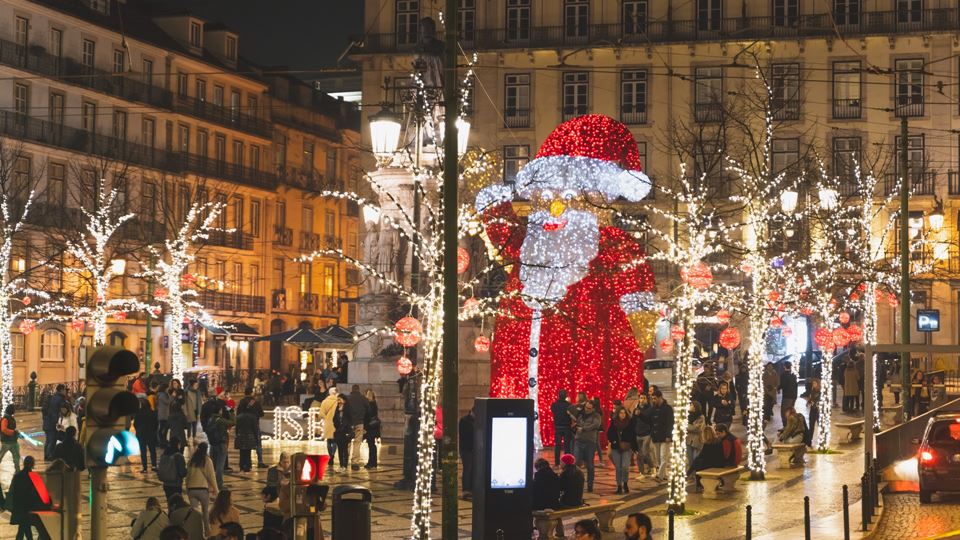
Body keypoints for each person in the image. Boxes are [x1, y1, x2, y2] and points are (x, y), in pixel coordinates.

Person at [7, 456, 51, 540]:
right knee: (25, 527)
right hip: (31, 507)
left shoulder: (17, 476)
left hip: (20, 507)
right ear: (32, 465)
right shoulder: (34, 476)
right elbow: (43, 494)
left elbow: (12, 492)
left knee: (23, 528)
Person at [185, 442, 218, 535]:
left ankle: (195, 531)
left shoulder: (191, 460)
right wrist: (216, 490)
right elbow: (212, 476)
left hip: (191, 489)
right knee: (205, 512)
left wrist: (187, 487)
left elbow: (188, 476)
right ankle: (207, 530)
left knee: (195, 514)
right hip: (203, 490)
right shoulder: (207, 460)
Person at [572, 399, 601, 492]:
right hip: (578, 441)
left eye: (589, 408)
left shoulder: (596, 416)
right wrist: (575, 427)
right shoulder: (581, 414)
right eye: (586, 407)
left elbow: (595, 425)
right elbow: (577, 423)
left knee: (590, 465)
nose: (587, 409)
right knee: (576, 463)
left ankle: (590, 485)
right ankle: (575, 484)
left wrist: (583, 429)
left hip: (590, 443)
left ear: (593, 409)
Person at [607, 407, 636, 494]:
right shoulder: (614, 423)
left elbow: (633, 435)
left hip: (627, 447)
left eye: (624, 413)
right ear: (618, 414)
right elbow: (609, 434)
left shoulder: (630, 423)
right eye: (621, 413)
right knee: (618, 468)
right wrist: (614, 441)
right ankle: (619, 486)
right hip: (616, 448)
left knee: (625, 467)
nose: (623, 415)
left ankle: (625, 483)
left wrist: (634, 447)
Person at [206, 407, 235, 488]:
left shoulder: (210, 420)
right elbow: (233, 422)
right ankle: (219, 484)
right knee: (220, 466)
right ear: (219, 411)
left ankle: (210, 482)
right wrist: (232, 413)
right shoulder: (221, 420)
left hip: (213, 444)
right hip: (221, 444)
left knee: (212, 465)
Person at [649, 390, 674, 483]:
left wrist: (668, 435)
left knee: (664, 456)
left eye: (655, 398)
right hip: (656, 436)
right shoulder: (653, 408)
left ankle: (659, 476)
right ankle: (664, 475)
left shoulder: (668, 408)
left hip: (665, 437)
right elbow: (649, 419)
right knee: (658, 458)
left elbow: (670, 423)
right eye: (652, 399)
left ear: (660, 397)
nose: (653, 400)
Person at [691, 425, 725, 490]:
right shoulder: (718, 441)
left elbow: (702, 455)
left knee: (697, 465)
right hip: (719, 463)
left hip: (713, 465)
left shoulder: (707, 444)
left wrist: (693, 465)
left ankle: (699, 485)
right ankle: (690, 476)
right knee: (697, 462)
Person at [346, 385, 369, 470]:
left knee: (347, 442)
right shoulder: (363, 399)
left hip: (349, 424)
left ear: (352, 390)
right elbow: (368, 411)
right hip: (359, 422)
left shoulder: (347, 398)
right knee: (357, 443)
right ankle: (355, 462)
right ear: (359, 390)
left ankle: (345, 461)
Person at [158, 438, 188, 504]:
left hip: (166, 484)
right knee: (177, 504)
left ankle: (170, 514)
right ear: (177, 445)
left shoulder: (164, 455)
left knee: (170, 503)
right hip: (176, 484)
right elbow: (182, 472)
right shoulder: (178, 456)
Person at [134, 397, 159, 473]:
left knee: (143, 451)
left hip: (141, 434)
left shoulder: (138, 414)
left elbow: (135, 424)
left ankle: (145, 468)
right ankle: (154, 465)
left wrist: (139, 430)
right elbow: (156, 424)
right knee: (152, 450)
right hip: (151, 433)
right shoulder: (153, 413)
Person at [234, 401, 259, 473]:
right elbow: (255, 428)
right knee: (248, 452)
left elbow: (237, 428)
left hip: (241, 435)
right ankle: (247, 466)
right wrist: (256, 438)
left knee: (242, 452)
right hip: (249, 436)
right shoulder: (252, 417)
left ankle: (241, 466)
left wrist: (237, 435)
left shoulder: (239, 417)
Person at [632, 393, 654, 476]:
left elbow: (649, 420)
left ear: (647, 399)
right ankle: (641, 472)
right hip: (638, 433)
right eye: (641, 398)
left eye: (644, 398)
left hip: (646, 434)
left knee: (645, 453)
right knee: (639, 455)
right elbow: (633, 421)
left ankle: (652, 467)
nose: (642, 400)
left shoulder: (650, 409)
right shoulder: (636, 409)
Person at [317, 387, 340, 467]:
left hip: (328, 423)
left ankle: (330, 456)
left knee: (329, 440)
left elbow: (321, 414)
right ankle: (333, 455)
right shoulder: (339, 401)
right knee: (335, 441)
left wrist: (327, 418)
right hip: (337, 423)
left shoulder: (325, 401)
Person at [42, 384, 66, 461]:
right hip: (53, 423)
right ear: (61, 390)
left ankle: (46, 455)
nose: (65, 391)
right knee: (52, 440)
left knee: (48, 440)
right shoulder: (60, 399)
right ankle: (49, 456)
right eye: (65, 390)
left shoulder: (52, 397)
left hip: (47, 421)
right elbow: (61, 412)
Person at [551, 390, 574, 466]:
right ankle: (567, 463)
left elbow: (553, 412)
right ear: (566, 396)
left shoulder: (554, 405)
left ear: (558, 396)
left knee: (557, 446)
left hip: (558, 427)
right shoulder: (569, 405)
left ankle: (557, 463)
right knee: (567, 446)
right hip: (567, 427)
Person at [458, 407, 474, 499]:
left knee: (473, 469)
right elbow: (464, 435)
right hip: (466, 449)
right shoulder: (464, 421)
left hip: (474, 448)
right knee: (467, 469)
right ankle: (466, 490)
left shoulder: (477, 420)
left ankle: (471, 488)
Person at [332, 394, 352, 469]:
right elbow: (334, 419)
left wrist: (348, 428)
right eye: (338, 399)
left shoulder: (348, 408)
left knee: (345, 449)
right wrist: (337, 426)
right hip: (338, 431)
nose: (338, 401)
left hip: (345, 431)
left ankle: (345, 465)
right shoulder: (337, 408)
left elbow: (350, 419)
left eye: (340, 399)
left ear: (344, 400)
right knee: (340, 449)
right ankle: (341, 465)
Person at [801, 378, 822, 447]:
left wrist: (815, 403)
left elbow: (819, 400)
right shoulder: (812, 390)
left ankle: (822, 440)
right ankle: (809, 441)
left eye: (815, 383)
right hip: (813, 410)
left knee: (820, 425)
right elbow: (811, 398)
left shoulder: (820, 392)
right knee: (811, 426)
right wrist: (809, 402)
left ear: (818, 384)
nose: (813, 385)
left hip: (818, 411)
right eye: (813, 383)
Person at [0, 404, 21, 472]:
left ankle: (18, 471)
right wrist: (13, 432)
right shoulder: (6, 418)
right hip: (7, 442)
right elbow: (3, 429)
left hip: (13, 441)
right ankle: (18, 472)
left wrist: (16, 433)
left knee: (17, 458)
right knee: (1, 456)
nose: (14, 410)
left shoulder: (10, 417)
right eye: (14, 409)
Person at [364, 389, 381, 469]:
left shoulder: (369, 404)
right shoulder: (374, 403)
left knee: (371, 446)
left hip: (371, 427)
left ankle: (371, 463)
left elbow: (368, 416)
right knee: (372, 446)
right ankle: (373, 463)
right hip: (374, 428)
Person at [686, 401, 705, 470]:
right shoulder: (687, 416)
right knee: (690, 461)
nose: (689, 406)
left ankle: (697, 476)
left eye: (691, 405)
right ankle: (692, 476)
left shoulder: (701, 417)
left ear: (695, 407)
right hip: (688, 441)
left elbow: (697, 428)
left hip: (697, 441)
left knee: (695, 459)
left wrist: (685, 425)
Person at [779, 362, 799, 427]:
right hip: (793, 396)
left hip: (787, 396)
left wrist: (777, 388)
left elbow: (783, 385)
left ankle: (786, 427)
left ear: (784, 366)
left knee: (784, 412)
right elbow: (796, 385)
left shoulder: (784, 375)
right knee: (791, 411)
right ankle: (791, 425)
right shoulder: (793, 375)